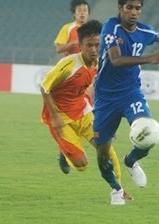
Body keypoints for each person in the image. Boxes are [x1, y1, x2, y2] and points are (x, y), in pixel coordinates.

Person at [93, 0, 159, 205]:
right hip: (105, 98)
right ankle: (116, 189)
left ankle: (130, 161)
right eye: (129, 7)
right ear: (120, 8)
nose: (133, 12)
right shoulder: (112, 28)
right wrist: (150, 58)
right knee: (102, 154)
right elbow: (116, 60)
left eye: (137, 8)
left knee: (149, 133)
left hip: (131, 93)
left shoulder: (144, 31)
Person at [41, 19, 131, 202]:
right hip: (60, 117)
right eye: (88, 45)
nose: (93, 49)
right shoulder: (68, 65)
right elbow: (45, 87)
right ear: (80, 46)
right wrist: (56, 117)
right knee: (82, 165)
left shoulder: (101, 63)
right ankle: (65, 155)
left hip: (82, 110)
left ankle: (118, 189)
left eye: (97, 45)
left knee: (106, 149)